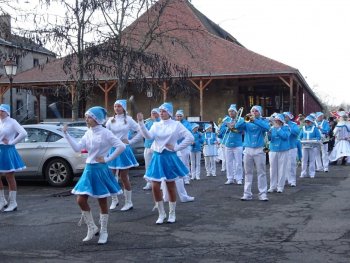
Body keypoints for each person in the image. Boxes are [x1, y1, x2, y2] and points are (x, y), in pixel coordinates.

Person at [63, 106, 126, 244]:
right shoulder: (88, 132)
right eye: (86, 116)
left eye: (89, 117)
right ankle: (92, 227)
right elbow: (77, 148)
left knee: (102, 201)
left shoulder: (106, 133)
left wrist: (107, 158)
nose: (87, 119)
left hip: (100, 169)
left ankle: (104, 231)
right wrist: (67, 135)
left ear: (97, 119)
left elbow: (122, 146)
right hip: (89, 169)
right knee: (80, 200)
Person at [137, 102, 194, 224]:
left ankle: (172, 213)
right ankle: (161, 213)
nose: (161, 113)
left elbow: (190, 138)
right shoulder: (156, 125)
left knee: (170, 185)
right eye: (160, 111)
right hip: (157, 157)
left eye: (163, 111)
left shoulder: (176, 125)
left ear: (169, 113)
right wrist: (141, 124)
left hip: (169, 157)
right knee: (155, 186)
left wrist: (176, 147)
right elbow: (148, 136)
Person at [106, 99, 142, 211]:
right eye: (115, 106)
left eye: (119, 106)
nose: (116, 108)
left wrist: (130, 141)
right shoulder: (110, 120)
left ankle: (128, 202)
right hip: (112, 149)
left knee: (124, 177)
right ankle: (114, 199)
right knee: (111, 176)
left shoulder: (129, 120)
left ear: (124, 108)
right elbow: (105, 134)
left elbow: (141, 131)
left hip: (124, 150)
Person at [235, 105, 270, 201]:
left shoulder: (262, 121)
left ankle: (263, 194)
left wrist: (255, 120)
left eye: (256, 111)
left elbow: (267, 128)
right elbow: (237, 126)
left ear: (260, 113)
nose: (254, 113)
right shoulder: (246, 122)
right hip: (248, 149)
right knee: (247, 172)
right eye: (252, 111)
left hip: (259, 149)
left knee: (261, 172)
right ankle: (247, 193)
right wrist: (245, 118)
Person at [0, 104, 27, 212]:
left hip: (7, 151)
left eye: (2, 111)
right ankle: (2, 201)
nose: (0, 112)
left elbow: (23, 133)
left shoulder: (12, 122)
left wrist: (11, 142)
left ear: (7, 112)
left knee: (9, 177)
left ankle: (13, 203)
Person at [218, 104, 244, 185]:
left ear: (236, 112)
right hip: (228, 143)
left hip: (238, 143)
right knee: (228, 162)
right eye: (229, 111)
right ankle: (230, 178)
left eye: (232, 111)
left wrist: (233, 127)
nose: (231, 113)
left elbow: (241, 130)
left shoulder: (240, 119)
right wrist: (228, 127)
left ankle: (239, 178)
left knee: (238, 162)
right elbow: (221, 131)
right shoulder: (226, 119)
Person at [267, 114, 291, 193]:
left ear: (281, 121)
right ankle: (272, 186)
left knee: (282, 169)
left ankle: (280, 186)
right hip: (273, 149)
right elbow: (270, 139)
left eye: (277, 120)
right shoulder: (271, 128)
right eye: (275, 120)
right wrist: (268, 134)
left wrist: (278, 128)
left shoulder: (286, 127)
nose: (275, 122)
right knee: (272, 169)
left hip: (283, 150)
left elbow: (285, 137)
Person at [142, 108, 160, 190]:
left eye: (155, 113)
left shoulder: (161, 122)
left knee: (158, 165)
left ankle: (160, 182)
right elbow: (142, 132)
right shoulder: (148, 122)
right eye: (152, 113)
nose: (153, 114)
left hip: (157, 147)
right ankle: (149, 182)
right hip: (148, 146)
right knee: (148, 165)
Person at [175, 109, 192, 184]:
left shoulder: (187, 123)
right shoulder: (174, 123)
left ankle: (186, 178)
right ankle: (179, 177)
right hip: (176, 145)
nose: (178, 117)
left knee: (185, 162)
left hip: (184, 145)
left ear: (183, 116)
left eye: (180, 116)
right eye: (177, 116)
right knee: (177, 162)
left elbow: (188, 132)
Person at [283, 112, 300, 187]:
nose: (284, 118)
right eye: (284, 117)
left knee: (292, 164)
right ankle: (284, 179)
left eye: (286, 117)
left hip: (292, 147)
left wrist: (289, 128)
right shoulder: (280, 124)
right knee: (283, 165)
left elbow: (297, 132)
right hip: (282, 147)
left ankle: (292, 180)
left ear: (289, 117)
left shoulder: (294, 124)